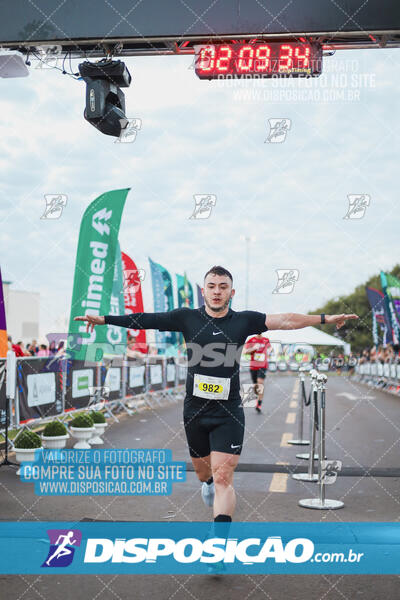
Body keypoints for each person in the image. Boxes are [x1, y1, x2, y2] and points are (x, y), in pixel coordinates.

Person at [74, 265, 358, 524]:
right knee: (204, 474)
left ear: (231, 292)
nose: (217, 291)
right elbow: (145, 319)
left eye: (223, 287)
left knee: (224, 478)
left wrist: (325, 318)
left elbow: (285, 320)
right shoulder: (186, 317)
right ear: (204, 290)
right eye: (212, 286)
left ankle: (219, 545)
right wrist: (104, 319)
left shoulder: (244, 321)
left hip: (228, 412)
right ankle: (207, 485)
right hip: (195, 412)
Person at [244, 333, 271, 412]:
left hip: (263, 365)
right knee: (256, 385)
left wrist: (269, 352)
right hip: (253, 366)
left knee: (260, 382)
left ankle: (259, 404)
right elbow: (245, 351)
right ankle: (257, 399)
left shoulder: (266, 340)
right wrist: (253, 349)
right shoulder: (251, 340)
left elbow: (270, 349)